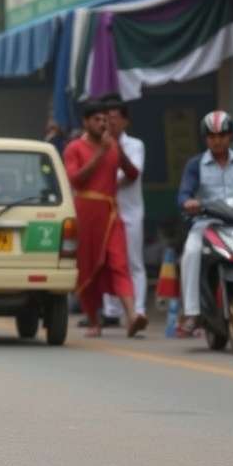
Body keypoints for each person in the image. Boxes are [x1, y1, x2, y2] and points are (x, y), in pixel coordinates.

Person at [64, 101, 147, 338]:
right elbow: (76, 180)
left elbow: (132, 174)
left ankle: (132, 316)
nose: (103, 124)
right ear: (85, 122)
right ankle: (93, 320)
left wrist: (118, 154)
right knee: (88, 267)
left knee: (119, 263)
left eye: (105, 120)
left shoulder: (113, 147)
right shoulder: (74, 148)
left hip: (111, 213)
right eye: (97, 120)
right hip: (86, 215)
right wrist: (100, 153)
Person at [176, 111, 233, 334]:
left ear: (231, 136)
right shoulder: (196, 165)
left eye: (222, 135)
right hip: (208, 225)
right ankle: (193, 313)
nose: (217, 141)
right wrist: (188, 202)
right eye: (212, 136)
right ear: (205, 139)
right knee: (191, 252)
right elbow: (184, 194)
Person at [101, 95, 148, 329]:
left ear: (125, 121)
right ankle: (111, 311)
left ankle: (138, 310)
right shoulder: (98, 144)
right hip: (106, 212)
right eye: (106, 118)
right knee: (108, 261)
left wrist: (104, 183)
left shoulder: (135, 145)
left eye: (115, 118)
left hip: (130, 212)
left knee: (133, 261)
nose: (110, 122)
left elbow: (130, 175)